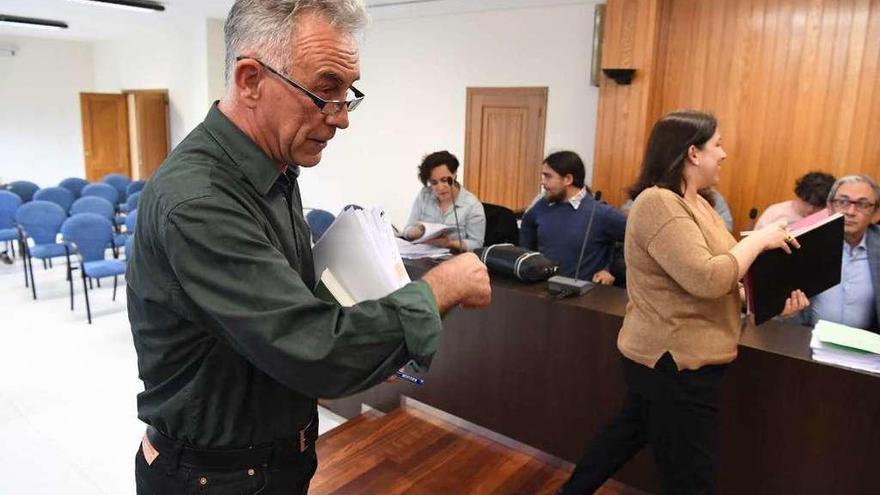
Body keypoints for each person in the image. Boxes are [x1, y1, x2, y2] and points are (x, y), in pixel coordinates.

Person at [127, 2, 491, 494]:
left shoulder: (274, 168)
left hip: (268, 461)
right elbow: (313, 350)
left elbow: (285, 308)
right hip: (218, 478)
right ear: (251, 80)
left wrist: (372, 341)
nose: (341, 118)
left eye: (348, 93)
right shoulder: (200, 201)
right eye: (324, 91)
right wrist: (439, 289)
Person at [557, 110, 808, 495]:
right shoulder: (658, 203)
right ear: (693, 153)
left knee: (625, 435)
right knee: (691, 479)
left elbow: (712, 283)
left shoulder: (699, 203)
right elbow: (707, 278)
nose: (723, 154)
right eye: (717, 145)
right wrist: (758, 239)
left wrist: (762, 301)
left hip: (674, 356)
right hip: (673, 360)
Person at [520, 151, 625, 285]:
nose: (542, 182)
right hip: (542, 293)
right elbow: (525, 251)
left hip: (584, 298)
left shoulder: (601, 213)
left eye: (548, 176)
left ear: (568, 179)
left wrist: (609, 269)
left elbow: (636, 241)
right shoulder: (539, 209)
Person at [793, 175, 880, 331]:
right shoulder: (806, 242)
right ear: (830, 207)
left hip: (867, 349)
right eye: (842, 202)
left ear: (875, 213)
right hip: (807, 340)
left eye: (862, 204)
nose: (851, 211)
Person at [402, 150, 486, 252]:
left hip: (453, 258)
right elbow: (407, 230)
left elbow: (476, 244)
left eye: (444, 180)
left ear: (454, 174)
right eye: (434, 182)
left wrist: (449, 243)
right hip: (422, 254)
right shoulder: (424, 195)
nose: (440, 187)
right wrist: (416, 232)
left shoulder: (472, 206)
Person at [754, 171, 836, 229]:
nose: (810, 209)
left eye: (817, 206)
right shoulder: (775, 212)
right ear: (798, 196)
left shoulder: (830, 218)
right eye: (806, 203)